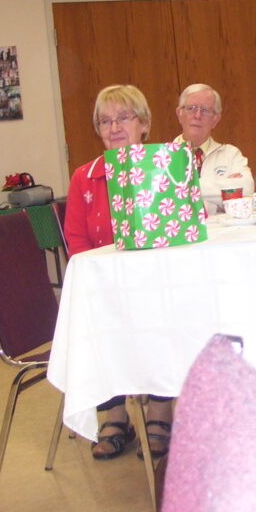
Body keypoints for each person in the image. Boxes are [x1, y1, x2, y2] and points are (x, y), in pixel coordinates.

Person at [63, 84, 173, 461]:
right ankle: (114, 415)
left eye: (124, 118)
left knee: (165, 309)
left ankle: (160, 411)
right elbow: (76, 239)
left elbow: (184, 227)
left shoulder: (165, 169)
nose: (114, 128)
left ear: (144, 124)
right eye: (105, 121)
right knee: (97, 315)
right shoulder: (85, 177)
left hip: (158, 282)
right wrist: (101, 282)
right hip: (106, 288)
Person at [173, 83, 254, 212]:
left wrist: (183, 186)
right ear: (179, 114)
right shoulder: (162, 158)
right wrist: (224, 185)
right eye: (191, 108)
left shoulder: (230, 154)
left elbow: (247, 188)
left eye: (205, 110)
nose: (197, 115)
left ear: (215, 120)